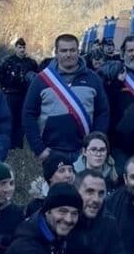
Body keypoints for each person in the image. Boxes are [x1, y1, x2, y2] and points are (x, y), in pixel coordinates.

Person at [24, 33, 109, 163]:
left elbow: (102, 112)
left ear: (78, 52)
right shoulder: (41, 80)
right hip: (51, 152)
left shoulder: (93, 79)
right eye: (64, 51)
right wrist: (39, 148)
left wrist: (95, 143)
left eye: (72, 50)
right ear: (56, 53)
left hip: (84, 153)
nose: (68, 54)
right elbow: (28, 114)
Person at [0, 36, 39, 149]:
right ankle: (9, 144)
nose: (22, 50)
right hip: (10, 94)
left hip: (25, 95)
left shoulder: (30, 63)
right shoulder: (8, 61)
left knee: (22, 120)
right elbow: (0, 76)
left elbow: (37, 78)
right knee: (10, 118)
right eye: (20, 47)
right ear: (15, 48)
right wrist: (4, 88)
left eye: (23, 47)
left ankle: (18, 144)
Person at [26, 152, 77, 217]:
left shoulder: (79, 201)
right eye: (62, 171)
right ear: (50, 177)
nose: (68, 175)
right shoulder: (35, 206)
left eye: (70, 170)